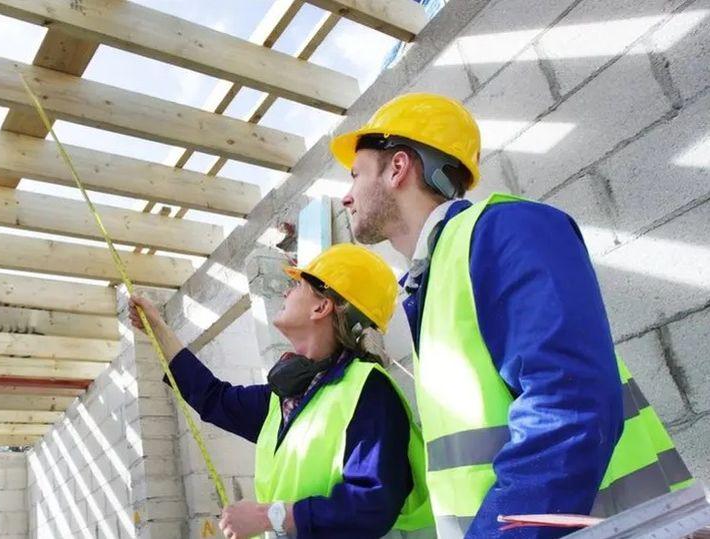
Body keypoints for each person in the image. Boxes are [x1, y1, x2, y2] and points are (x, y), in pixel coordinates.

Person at [331, 93, 693, 538]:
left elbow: (569, 409)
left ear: (398, 167)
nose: (346, 197)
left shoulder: (502, 230)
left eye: (355, 175)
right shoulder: (438, 277)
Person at [128, 243, 433, 538]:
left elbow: (373, 504)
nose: (287, 290)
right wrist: (158, 328)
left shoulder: (368, 391)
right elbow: (212, 398)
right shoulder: (284, 400)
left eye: (298, 284)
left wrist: (267, 516)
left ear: (322, 306)